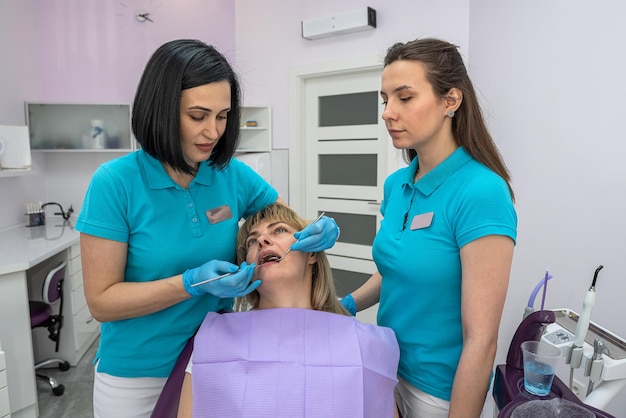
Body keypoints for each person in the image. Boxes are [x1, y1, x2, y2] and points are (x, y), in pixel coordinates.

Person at [75, 39, 338, 418]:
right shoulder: (115, 183)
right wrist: (189, 283)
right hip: (138, 375)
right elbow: (102, 302)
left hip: (214, 360)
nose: (213, 132)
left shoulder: (229, 174)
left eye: (223, 115)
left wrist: (315, 230)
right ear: (162, 111)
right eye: (198, 116)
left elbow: (281, 223)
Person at [341, 38, 518, 418]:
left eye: (404, 98)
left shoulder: (481, 192)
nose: (388, 112)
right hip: (385, 368)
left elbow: (481, 340)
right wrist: (347, 305)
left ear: (450, 101)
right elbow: (398, 269)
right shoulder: (397, 184)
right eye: (385, 99)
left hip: (438, 393)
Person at [177, 203, 400, 418]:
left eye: (279, 230)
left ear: (311, 253)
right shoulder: (214, 340)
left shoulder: (366, 345)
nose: (262, 240)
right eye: (252, 241)